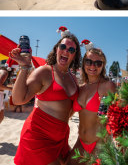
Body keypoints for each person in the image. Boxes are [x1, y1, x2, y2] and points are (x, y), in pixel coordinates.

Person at [11, 32, 81, 165]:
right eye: (63, 47)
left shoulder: (73, 78)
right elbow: (18, 100)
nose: (66, 51)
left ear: (74, 55)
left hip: (60, 137)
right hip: (39, 136)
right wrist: (25, 66)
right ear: (56, 49)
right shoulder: (45, 72)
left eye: (71, 50)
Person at [69, 47, 116, 164]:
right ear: (84, 63)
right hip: (80, 142)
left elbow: (118, 116)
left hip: (100, 145)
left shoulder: (107, 86)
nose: (93, 66)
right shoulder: (81, 88)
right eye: (89, 62)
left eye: (98, 63)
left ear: (103, 65)